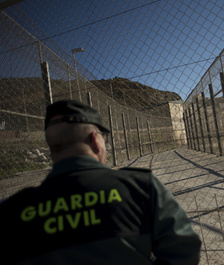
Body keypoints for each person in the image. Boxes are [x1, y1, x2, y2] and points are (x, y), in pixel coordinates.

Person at [0, 100, 201, 265]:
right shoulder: (141, 186)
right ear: (95, 140)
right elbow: (184, 249)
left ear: (52, 148)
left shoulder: (12, 210)